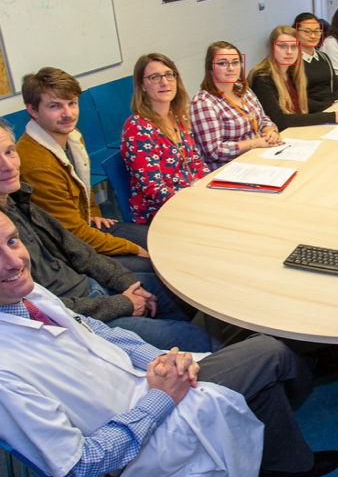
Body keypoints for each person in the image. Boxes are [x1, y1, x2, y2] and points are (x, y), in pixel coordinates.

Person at [0, 211, 338, 477]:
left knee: (261, 375)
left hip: (147, 385)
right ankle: (312, 370)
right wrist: (161, 398)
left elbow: (97, 332)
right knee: (271, 352)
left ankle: (281, 465)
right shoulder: (5, 372)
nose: (14, 261)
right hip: (142, 438)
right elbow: (77, 468)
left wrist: (156, 357)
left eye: (12, 241)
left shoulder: (27, 297)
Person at [0, 119, 212, 351]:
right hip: (80, 317)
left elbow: (78, 250)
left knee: (182, 288)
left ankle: (159, 355)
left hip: (91, 288)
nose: (8, 166)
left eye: (9, 152)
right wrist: (122, 304)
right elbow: (42, 309)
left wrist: (124, 281)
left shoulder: (17, 200)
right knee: (200, 340)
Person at [16, 67, 151, 273]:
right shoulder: (37, 165)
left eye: (72, 103)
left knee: (159, 240)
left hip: (84, 226)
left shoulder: (71, 136)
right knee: (155, 266)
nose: (68, 114)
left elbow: (82, 184)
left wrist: (94, 212)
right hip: (67, 252)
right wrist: (131, 248)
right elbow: (71, 235)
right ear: (33, 110)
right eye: (55, 106)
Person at [122, 53, 209, 224]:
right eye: (155, 77)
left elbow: (196, 162)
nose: (164, 82)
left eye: (169, 75)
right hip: (160, 212)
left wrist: (210, 188)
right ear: (142, 86)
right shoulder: (138, 128)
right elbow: (153, 189)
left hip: (191, 198)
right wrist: (193, 204)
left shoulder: (179, 116)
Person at [191, 41, 283, 170]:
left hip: (259, 157)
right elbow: (214, 152)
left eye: (235, 62)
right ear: (210, 69)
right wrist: (255, 143)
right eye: (223, 63)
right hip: (230, 169)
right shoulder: (203, 103)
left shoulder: (244, 90)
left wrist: (270, 132)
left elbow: (263, 119)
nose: (231, 68)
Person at [249, 25, 338, 130]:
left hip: (297, 130)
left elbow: (302, 102)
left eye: (294, 46)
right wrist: (327, 117)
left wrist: (330, 106)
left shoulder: (291, 71)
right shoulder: (262, 77)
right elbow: (278, 120)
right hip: (280, 135)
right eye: (282, 46)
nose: (289, 52)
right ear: (271, 48)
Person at [293, 13, 338, 113]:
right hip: (312, 113)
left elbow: (336, 86)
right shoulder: (293, 62)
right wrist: (330, 106)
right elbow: (297, 99)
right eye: (307, 32)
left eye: (317, 31)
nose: (313, 36)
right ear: (296, 32)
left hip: (334, 108)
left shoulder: (323, 57)